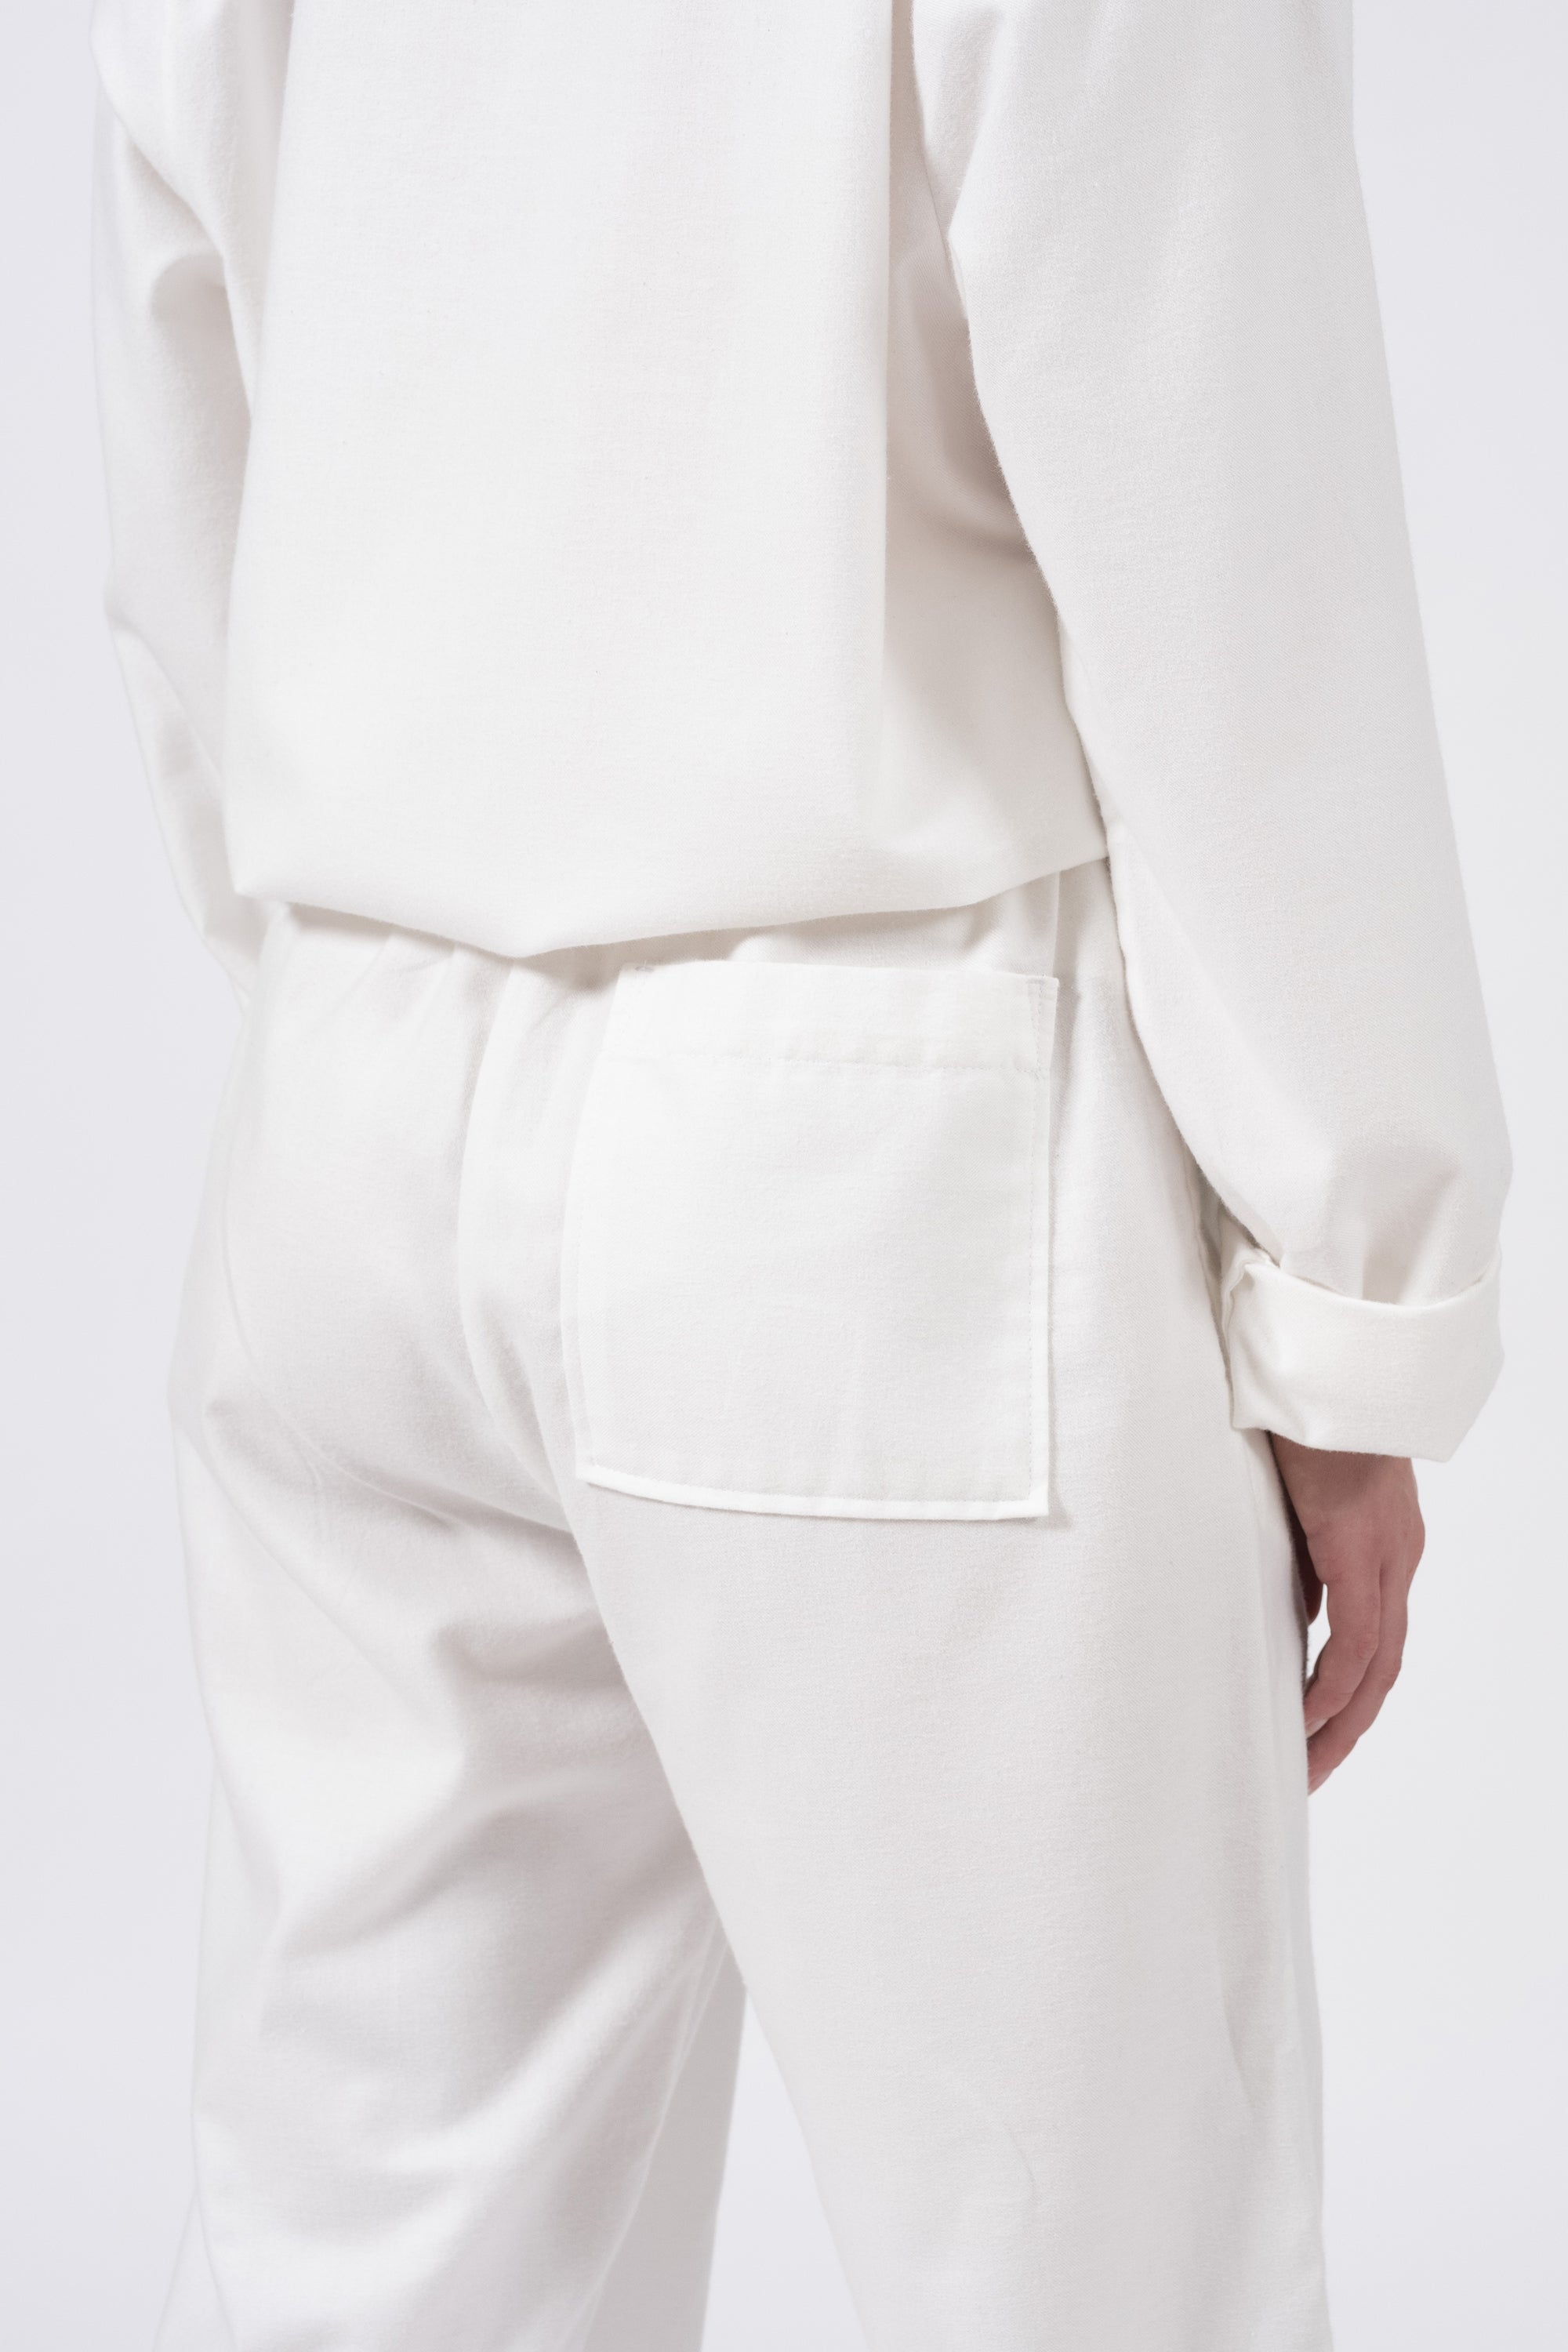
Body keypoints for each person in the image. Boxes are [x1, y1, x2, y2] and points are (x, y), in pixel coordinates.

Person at [91, 2, 1508, 2346]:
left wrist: (344, 942)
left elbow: (182, 399)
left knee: (378, 2263)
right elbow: (1222, 516)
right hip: (878, 1122)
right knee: (1087, 2282)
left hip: (360, 1073)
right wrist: (1354, 1283)